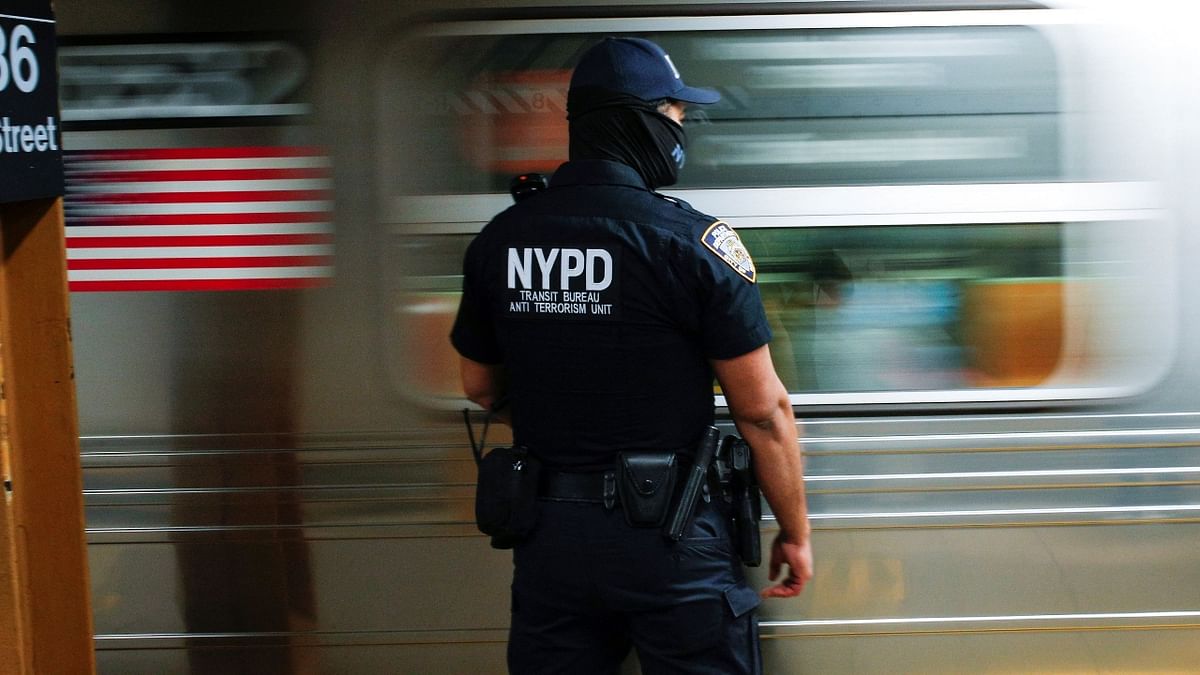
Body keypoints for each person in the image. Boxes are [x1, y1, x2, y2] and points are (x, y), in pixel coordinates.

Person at [450, 36, 812, 675]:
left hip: (548, 538)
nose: (682, 128)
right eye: (676, 112)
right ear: (641, 119)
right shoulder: (693, 241)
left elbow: (479, 386)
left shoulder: (501, 241)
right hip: (672, 537)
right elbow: (762, 412)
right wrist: (795, 531)